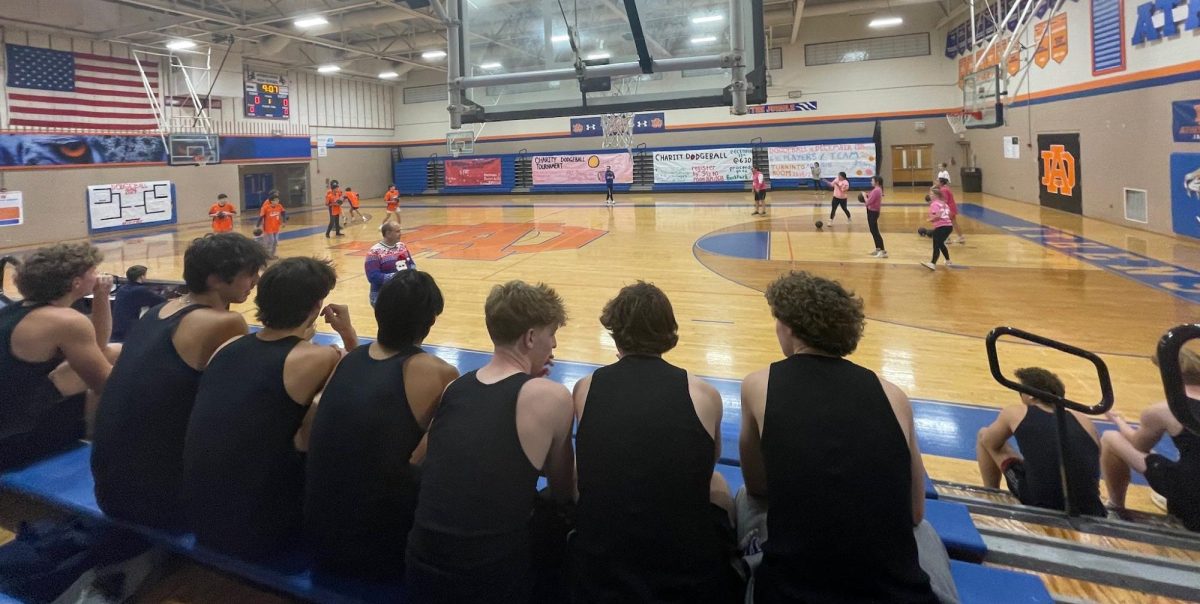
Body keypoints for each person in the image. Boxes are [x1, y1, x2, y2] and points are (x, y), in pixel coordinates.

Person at [737, 271, 955, 604]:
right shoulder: (893, 394)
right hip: (898, 595)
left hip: (791, 594)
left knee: (741, 498)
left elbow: (757, 487)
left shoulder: (758, 384)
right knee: (925, 533)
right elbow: (914, 512)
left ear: (789, 327)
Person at [570, 282, 743, 602]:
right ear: (668, 331)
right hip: (687, 575)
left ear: (614, 331)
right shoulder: (704, 393)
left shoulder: (584, 387)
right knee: (718, 485)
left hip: (601, 572)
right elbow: (706, 468)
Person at [405, 280, 575, 603]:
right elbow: (564, 490)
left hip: (420, 570)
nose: (553, 345)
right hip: (489, 583)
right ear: (530, 337)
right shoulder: (552, 397)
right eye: (552, 333)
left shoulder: (455, 388)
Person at [92, 233, 269, 530]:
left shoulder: (161, 311)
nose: (255, 281)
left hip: (109, 486)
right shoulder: (225, 322)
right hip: (159, 500)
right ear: (215, 279)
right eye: (249, 275)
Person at [184, 257, 358, 559]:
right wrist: (348, 334)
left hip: (200, 517)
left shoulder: (229, 346)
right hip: (260, 533)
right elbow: (365, 387)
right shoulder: (319, 358)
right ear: (316, 306)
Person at [306, 270, 459, 578]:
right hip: (382, 554)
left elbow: (373, 378)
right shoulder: (438, 373)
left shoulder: (348, 360)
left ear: (378, 312)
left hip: (320, 541)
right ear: (429, 321)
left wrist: (349, 336)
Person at [0, 244, 117, 471]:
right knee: (121, 370)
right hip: (15, 442)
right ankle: (104, 444)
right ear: (76, 283)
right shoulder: (66, 321)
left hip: (10, 420)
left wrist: (101, 296)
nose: (99, 275)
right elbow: (105, 384)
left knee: (113, 352)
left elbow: (98, 346)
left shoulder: (14, 311)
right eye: (93, 271)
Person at [976, 367, 1104, 516]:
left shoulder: (1015, 412)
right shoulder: (1084, 420)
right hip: (1091, 506)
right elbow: (1094, 456)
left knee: (983, 434)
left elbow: (989, 442)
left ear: (1030, 395)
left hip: (1041, 504)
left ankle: (992, 500)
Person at [1101, 349, 1200, 530]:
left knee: (1110, 438)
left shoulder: (1165, 409)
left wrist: (1118, 421)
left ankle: (1116, 507)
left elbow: (1138, 445)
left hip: (1191, 492)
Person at [110, 265, 166, 342]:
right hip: (127, 332)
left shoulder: (122, 289)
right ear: (142, 277)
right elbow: (161, 301)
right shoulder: (140, 290)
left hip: (115, 327)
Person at [366, 222, 416, 307]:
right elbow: (373, 276)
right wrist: (399, 277)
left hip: (404, 294)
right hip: (383, 297)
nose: (400, 234)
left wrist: (412, 276)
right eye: (397, 231)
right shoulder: (374, 252)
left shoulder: (402, 246)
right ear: (388, 233)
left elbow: (411, 264)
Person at [921, 188, 954, 271]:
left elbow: (938, 216)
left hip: (941, 227)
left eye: (931, 194)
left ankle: (933, 263)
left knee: (936, 245)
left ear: (936, 196)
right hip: (949, 226)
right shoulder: (944, 204)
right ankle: (948, 261)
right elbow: (949, 215)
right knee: (940, 244)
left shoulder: (934, 204)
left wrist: (930, 219)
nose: (930, 195)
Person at [256, 192, 286, 257]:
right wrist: (257, 226)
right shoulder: (266, 208)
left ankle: (273, 254)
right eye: (276, 200)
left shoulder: (279, 206)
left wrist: (284, 221)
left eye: (278, 200)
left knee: (275, 242)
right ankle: (268, 255)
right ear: (271, 201)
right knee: (271, 241)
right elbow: (261, 217)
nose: (278, 201)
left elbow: (283, 212)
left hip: (276, 227)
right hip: (268, 227)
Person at [938, 177, 965, 244]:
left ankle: (947, 239)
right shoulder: (946, 188)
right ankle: (961, 237)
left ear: (941, 183)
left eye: (937, 181)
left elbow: (945, 200)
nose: (935, 182)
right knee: (954, 223)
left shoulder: (943, 190)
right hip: (952, 208)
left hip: (949, 209)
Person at [866, 176, 887, 258]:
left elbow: (868, 202)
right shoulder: (877, 190)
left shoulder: (876, 190)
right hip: (873, 212)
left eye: (872, 181)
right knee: (873, 231)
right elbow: (871, 197)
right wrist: (867, 194)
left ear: (877, 182)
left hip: (873, 212)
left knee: (875, 232)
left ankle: (883, 251)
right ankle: (878, 249)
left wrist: (864, 197)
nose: (871, 182)